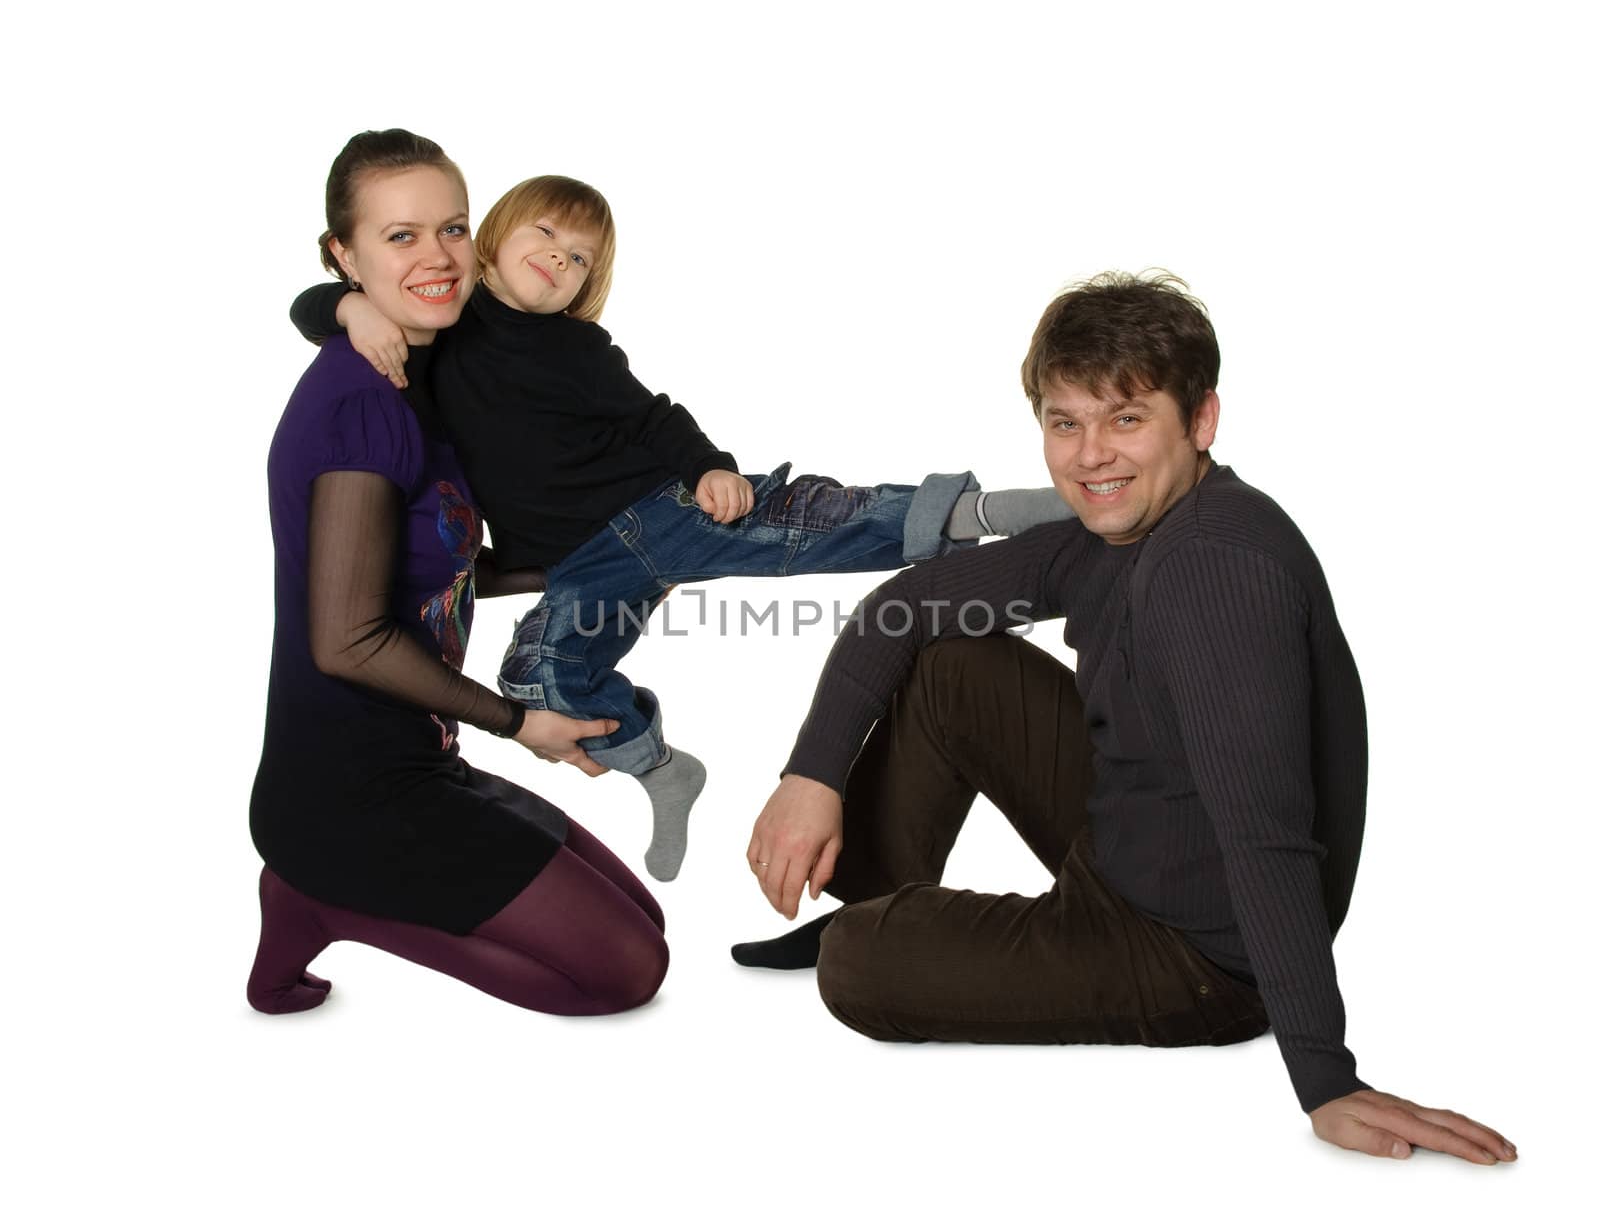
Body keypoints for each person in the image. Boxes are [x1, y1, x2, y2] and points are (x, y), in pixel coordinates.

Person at [735, 271, 1517, 1164]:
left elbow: (1266, 837)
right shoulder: (1113, 531)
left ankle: (883, 928)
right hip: (1134, 833)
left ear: (1201, 421)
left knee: (859, 966)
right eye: (1066, 423)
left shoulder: (1210, 567)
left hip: (1198, 953)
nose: (1091, 455)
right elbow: (905, 603)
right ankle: (882, 900)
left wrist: (1325, 1077)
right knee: (953, 662)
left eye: (1127, 418)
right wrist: (813, 773)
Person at [290, 173, 1070, 881]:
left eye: (581, 261)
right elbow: (308, 307)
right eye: (545, 237)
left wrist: (710, 468)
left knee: (794, 527)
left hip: (654, 513)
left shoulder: (579, 349)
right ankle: (661, 766)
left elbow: (655, 418)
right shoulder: (443, 330)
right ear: (493, 239)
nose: (562, 261)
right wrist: (351, 304)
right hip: (582, 566)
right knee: (538, 679)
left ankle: (979, 512)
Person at [248, 130, 668, 1019]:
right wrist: (522, 724)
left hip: (421, 759)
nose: (438, 256)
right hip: (341, 797)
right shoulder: (364, 406)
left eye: (453, 228)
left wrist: (633, 554)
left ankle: (326, 889)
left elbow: (451, 566)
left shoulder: (425, 371)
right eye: (400, 236)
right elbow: (349, 640)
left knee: (647, 921)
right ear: (344, 253)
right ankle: (318, 899)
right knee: (623, 971)